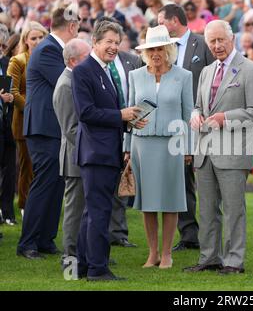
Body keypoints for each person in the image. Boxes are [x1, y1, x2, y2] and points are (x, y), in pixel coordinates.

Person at [184, 20, 253, 274]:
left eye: (221, 40)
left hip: (233, 153)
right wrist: (195, 115)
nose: (217, 45)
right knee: (207, 211)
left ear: (232, 39)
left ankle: (233, 261)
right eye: (212, 41)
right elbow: (198, 105)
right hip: (205, 152)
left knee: (233, 211)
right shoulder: (207, 71)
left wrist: (226, 118)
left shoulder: (250, 70)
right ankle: (209, 258)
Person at [72, 19, 146, 281]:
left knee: (92, 212)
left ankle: (81, 267)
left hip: (105, 152)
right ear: (95, 42)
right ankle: (98, 269)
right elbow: (86, 113)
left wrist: (128, 120)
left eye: (117, 42)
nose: (114, 47)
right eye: (108, 42)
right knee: (99, 213)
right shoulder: (84, 71)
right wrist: (121, 114)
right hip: (96, 154)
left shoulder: (104, 69)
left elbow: (109, 114)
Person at [124, 25, 193, 269]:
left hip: (172, 145)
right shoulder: (136, 76)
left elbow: (188, 115)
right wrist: (127, 147)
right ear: (145, 52)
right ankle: (152, 253)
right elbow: (131, 115)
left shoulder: (184, 76)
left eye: (161, 48)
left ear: (169, 49)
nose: (156, 53)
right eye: (152, 49)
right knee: (148, 202)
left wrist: (188, 148)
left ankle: (167, 254)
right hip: (142, 145)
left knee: (171, 200)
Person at [17, 5, 79, 260]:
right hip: (44, 128)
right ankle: (28, 242)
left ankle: (45, 239)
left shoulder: (50, 48)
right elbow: (70, 83)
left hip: (53, 128)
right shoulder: (49, 50)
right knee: (44, 183)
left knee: (55, 183)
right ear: (72, 26)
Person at [158, 3, 214, 252]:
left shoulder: (202, 44)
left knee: (206, 178)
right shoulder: (161, 48)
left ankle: (212, 232)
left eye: (161, 21)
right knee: (180, 180)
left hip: (201, 122)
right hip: (173, 123)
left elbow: (215, 78)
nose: (158, 26)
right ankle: (189, 233)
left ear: (173, 21)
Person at [52, 38, 91, 266]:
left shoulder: (74, 79)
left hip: (82, 154)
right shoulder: (66, 85)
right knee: (75, 209)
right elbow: (71, 129)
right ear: (74, 61)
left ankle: (84, 253)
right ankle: (71, 256)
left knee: (84, 208)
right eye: (87, 57)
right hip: (76, 157)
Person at [7, 21, 47, 219]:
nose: (38, 41)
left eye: (41, 37)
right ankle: (24, 206)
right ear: (25, 40)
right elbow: (12, 91)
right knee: (27, 166)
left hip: (48, 120)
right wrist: (33, 109)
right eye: (33, 38)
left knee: (45, 167)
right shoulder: (18, 60)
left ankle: (41, 207)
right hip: (24, 120)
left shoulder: (51, 59)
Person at [0, 24, 15, 226]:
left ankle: (6, 211)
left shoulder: (5, 62)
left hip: (5, 122)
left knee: (8, 169)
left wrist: (10, 97)